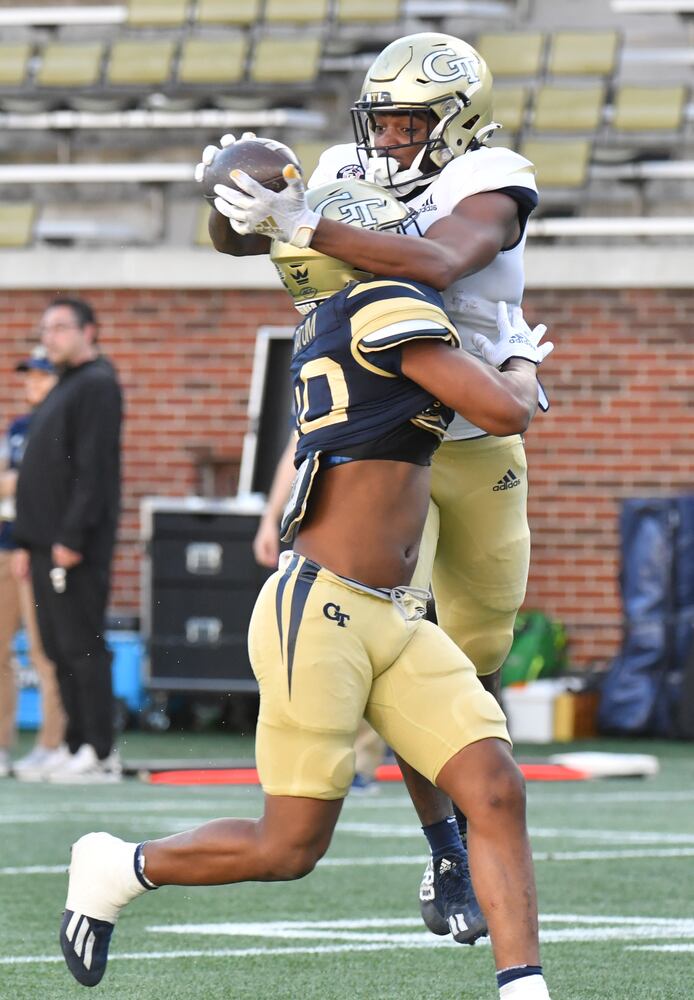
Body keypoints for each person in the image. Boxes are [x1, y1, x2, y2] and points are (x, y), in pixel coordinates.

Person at [60, 181, 554, 1000]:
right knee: (287, 849)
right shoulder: (381, 306)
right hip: (322, 611)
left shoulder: (335, 316)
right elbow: (502, 412)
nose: (413, 246)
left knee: (497, 786)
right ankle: (119, 866)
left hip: (396, 611)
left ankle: (523, 989)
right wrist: (520, 358)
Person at [201, 30, 543, 943]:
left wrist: (305, 223)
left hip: (477, 426)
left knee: (475, 652)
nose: (386, 137)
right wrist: (238, 203)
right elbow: (245, 244)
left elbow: (435, 262)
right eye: (379, 118)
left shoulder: (493, 174)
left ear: (456, 122)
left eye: (407, 121)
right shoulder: (345, 164)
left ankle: (460, 822)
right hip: (389, 433)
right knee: (405, 628)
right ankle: (446, 852)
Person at [12, 297, 123, 783]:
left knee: (82, 645)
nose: (49, 336)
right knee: (57, 649)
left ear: (88, 332)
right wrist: (27, 540)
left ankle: (99, 752)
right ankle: (75, 743)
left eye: (59, 327)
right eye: (45, 328)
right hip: (42, 544)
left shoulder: (97, 385)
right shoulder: (66, 386)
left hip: (72, 546)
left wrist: (72, 536)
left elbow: (93, 470)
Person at [0, 347, 66, 780]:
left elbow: (48, 482)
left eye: (41, 376)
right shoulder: (19, 426)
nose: (32, 384)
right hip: (6, 544)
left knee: (45, 652)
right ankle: (3, 746)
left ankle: (51, 744)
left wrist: (17, 481)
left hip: (39, 547)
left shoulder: (61, 424)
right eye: (29, 377)